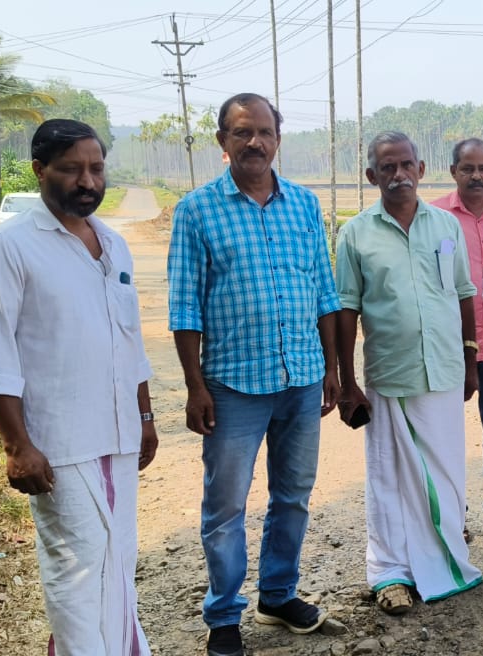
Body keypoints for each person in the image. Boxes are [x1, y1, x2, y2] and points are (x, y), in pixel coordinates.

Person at [0, 119, 156, 654]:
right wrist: (17, 445)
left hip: (117, 434)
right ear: (39, 170)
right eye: (71, 169)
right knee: (77, 567)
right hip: (58, 441)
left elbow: (129, 341)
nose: (87, 181)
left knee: (118, 561)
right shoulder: (6, 247)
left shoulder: (113, 244)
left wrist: (143, 418)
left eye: (96, 168)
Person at [168, 92, 340, 656]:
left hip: (302, 377)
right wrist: (195, 386)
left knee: (293, 495)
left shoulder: (305, 205)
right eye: (242, 133)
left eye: (264, 132)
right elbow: (185, 306)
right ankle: (222, 615)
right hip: (233, 384)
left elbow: (323, 291)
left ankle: (278, 593)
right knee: (226, 507)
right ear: (223, 142)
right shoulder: (197, 210)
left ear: (278, 139)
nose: (254, 142)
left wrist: (333, 367)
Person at [336, 131, 483, 615]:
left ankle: (445, 559)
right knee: (390, 477)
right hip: (390, 375)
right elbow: (346, 309)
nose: (398, 175)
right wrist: (346, 380)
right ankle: (390, 572)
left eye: (406, 166)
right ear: (372, 175)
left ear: (421, 170)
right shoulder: (355, 233)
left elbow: (463, 293)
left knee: (445, 471)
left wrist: (469, 357)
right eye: (388, 167)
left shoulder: (445, 226)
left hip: (443, 368)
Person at [431, 138, 483, 538]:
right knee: (446, 433)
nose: (476, 176)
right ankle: (452, 516)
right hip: (450, 343)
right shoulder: (433, 218)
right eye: (468, 168)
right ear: (453, 172)